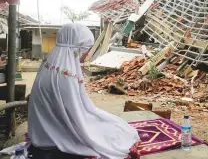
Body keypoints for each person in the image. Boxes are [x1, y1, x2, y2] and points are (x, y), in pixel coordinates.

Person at [28, 23, 140, 159]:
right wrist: (91, 126)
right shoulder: (65, 75)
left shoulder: (51, 62)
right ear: (76, 47)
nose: (85, 53)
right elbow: (75, 115)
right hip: (53, 134)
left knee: (108, 123)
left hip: (41, 130)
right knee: (112, 133)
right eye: (85, 49)